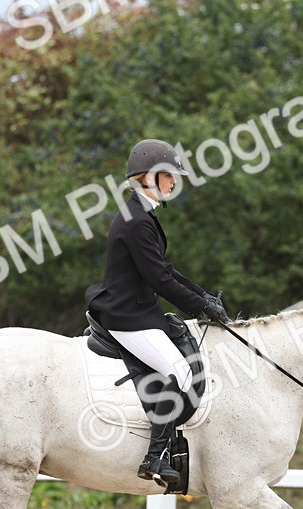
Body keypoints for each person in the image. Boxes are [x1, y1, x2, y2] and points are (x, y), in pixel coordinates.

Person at [85, 138, 231, 486]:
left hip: (135, 310)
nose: (174, 182)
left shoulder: (142, 214)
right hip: (126, 316)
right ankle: (153, 458)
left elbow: (166, 269)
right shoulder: (136, 221)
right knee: (181, 373)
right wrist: (199, 306)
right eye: (168, 175)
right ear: (147, 177)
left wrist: (204, 296)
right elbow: (159, 279)